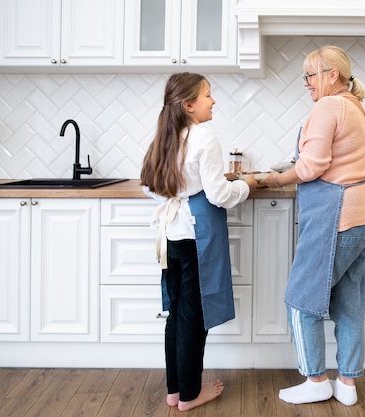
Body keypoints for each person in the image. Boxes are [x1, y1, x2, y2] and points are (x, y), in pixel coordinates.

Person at [260, 45, 365, 407]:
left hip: (338, 215)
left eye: (311, 75)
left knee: (300, 301)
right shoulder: (356, 106)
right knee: (349, 304)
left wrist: (276, 179)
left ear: (332, 75)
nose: (307, 84)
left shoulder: (328, 106)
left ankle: (315, 380)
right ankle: (347, 383)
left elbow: (312, 166)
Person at [140, 72, 258, 412]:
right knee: (194, 315)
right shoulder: (204, 136)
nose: (213, 100)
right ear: (189, 105)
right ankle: (191, 395)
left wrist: (179, 194)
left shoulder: (165, 137)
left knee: (176, 313)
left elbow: (150, 187)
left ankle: (175, 390)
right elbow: (219, 194)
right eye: (208, 95)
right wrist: (247, 185)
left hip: (171, 235)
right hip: (196, 237)